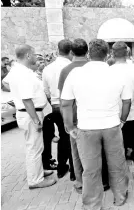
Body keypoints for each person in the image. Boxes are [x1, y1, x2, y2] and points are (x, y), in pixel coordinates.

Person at [61, 39, 131, 209]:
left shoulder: (75, 74)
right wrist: (122, 120)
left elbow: (65, 103)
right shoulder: (118, 74)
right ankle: (120, 196)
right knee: (117, 164)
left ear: (88, 54)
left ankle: (92, 204)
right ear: (107, 54)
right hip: (112, 126)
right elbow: (127, 101)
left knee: (91, 169)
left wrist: (70, 127)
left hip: (86, 128)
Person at [58, 38, 110, 194]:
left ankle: (81, 183)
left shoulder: (67, 70)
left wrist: (67, 124)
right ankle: (103, 181)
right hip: (95, 115)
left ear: (72, 52)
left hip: (75, 118)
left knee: (78, 154)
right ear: (87, 52)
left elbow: (64, 100)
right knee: (100, 151)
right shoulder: (94, 67)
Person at [7, 44, 57, 189]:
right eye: (34, 54)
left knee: (36, 146)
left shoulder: (18, 70)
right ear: (28, 55)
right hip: (30, 114)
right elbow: (26, 99)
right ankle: (35, 180)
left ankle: (38, 171)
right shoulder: (23, 74)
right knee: (34, 148)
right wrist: (35, 119)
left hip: (29, 113)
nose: (36, 57)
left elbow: (5, 82)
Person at [109, 41, 134, 183]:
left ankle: (120, 178)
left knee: (119, 148)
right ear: (127, 53)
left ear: (112, 53)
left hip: (115, 116)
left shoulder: (109, 71)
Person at [42, 39, 74, 179]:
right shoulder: (72, 67)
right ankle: (73, 170)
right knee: (72, 137)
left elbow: (46, 91)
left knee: (62, 136)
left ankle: (62, 167)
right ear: (71, 51)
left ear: (57, 50)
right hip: (69, 105)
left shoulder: (47, 68)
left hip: (55, 106)